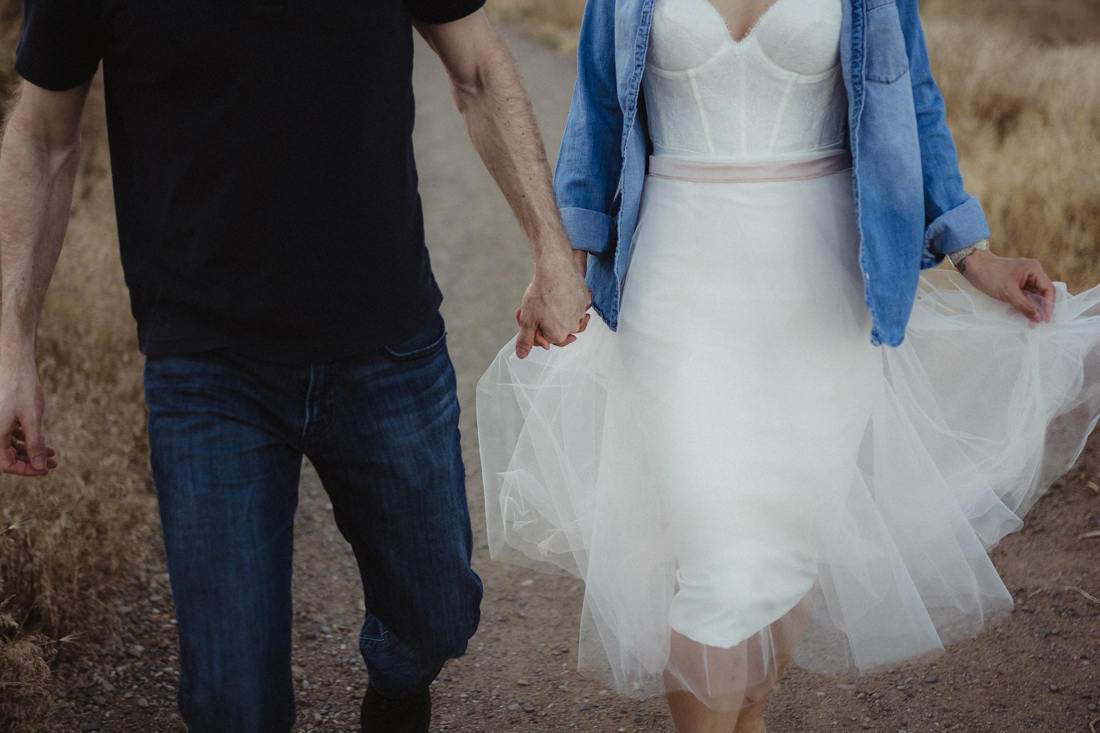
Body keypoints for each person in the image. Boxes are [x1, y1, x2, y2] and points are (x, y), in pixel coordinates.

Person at [476, 0, 1100, 731]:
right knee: (716, 561)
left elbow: (913, 99)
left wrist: (971, 250)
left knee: (788, 543)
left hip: (821, 286)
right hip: (676, 281)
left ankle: (751, 717)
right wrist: (562, 259)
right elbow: (598, 113)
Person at [0, 2, 590, 732]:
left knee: (436, 622)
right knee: (231, 703)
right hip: (206, 367)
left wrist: (551, 251)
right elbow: (43, 135)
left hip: (384, 339)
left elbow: (476, 66)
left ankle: (397, 676)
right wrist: (12, 343)